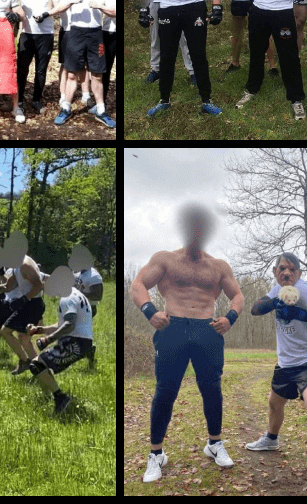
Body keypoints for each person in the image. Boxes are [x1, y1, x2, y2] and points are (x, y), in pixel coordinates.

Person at [130, 203, 243, 484]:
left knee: (212, 388)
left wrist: (229, 318)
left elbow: (238, 296)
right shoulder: (166, 259)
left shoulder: (218, 266)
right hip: (173, 327)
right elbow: (137, 286)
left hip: (208, 329)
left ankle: (214, 443)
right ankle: (156, 453)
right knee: (165, 390)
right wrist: (149, 312)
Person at [242, 253, 307, 497]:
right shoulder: (276, 289)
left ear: (298, 273)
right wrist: (274, 303)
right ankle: (271, 439)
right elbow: (255, 310)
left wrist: (301, 313)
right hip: (285, 364)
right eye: (281, 269)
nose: (286, 273)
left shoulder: (305, 291)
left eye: (291, 269)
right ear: (276, 273)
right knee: (274, 404)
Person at [25, 286, 95, 416]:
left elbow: (69, 324)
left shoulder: (67, 297)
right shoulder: (76, 294)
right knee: (43, 365)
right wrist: (40, 329)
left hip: (75, 341)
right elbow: (62, 325)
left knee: (37, 365)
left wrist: (48, 340)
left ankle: (60, 398)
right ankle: (50, 396)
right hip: (82, 341)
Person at [74, 263, 104, 369]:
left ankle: (89, 350)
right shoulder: (78, 274)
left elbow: (98, 296)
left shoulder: (94, 276)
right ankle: (89, 350)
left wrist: (79, 294)